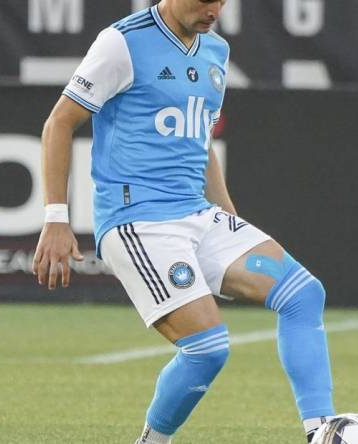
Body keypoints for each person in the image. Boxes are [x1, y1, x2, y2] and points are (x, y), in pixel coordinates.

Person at [32, 1, 336, 442]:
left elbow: (201, 142)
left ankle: (321, 431)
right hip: (138, 223)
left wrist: (229, 220)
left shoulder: (216, 51)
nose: (214, 8)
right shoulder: (122, 42)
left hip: (198, 215)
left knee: (304, 295)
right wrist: (56, 217)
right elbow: (59, 122)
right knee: (207, 350)